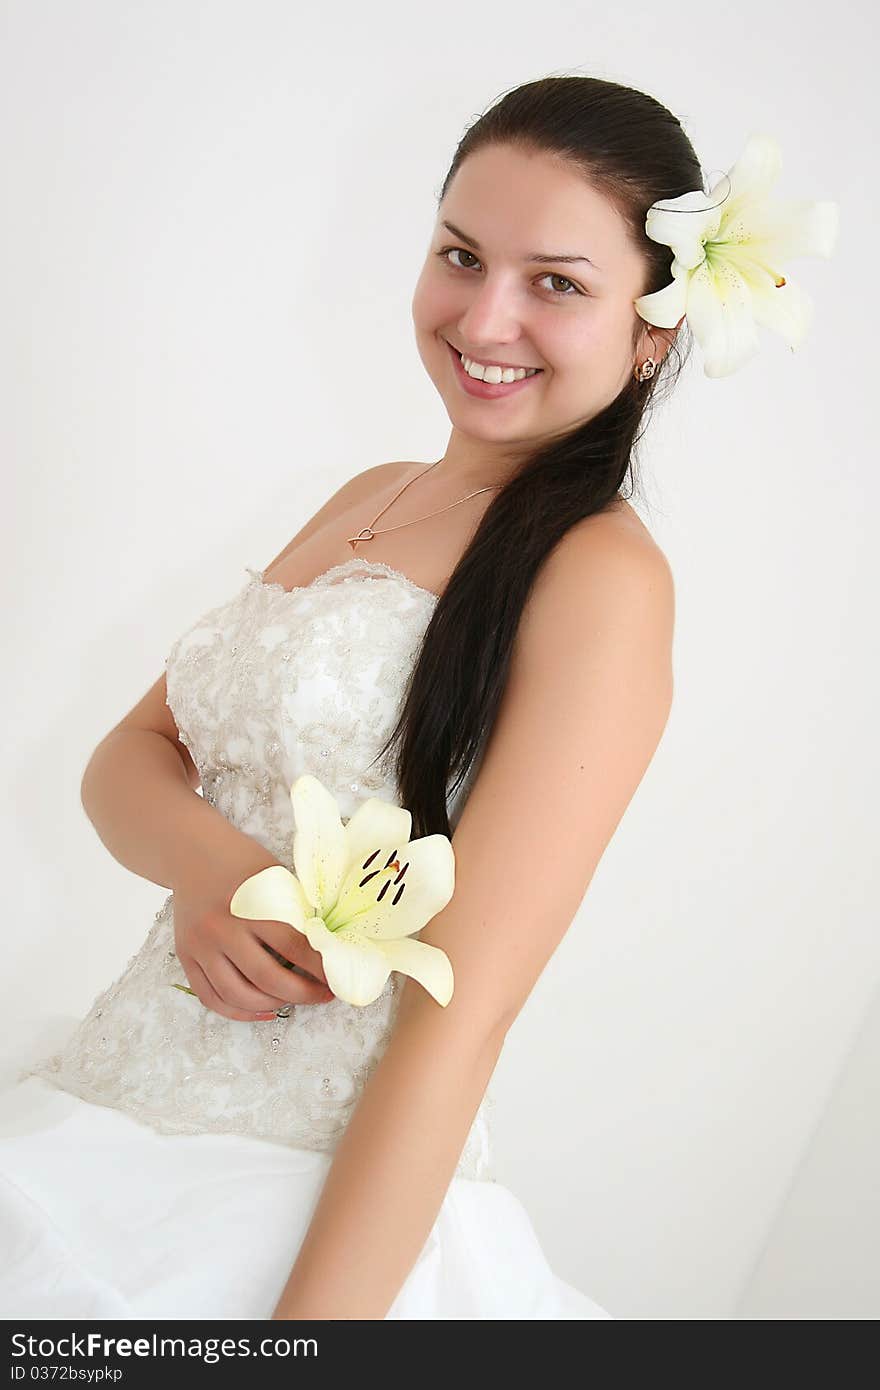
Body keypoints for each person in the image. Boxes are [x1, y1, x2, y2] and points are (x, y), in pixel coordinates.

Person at [0, 73, 836, 1320]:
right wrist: (221, 875)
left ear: (654, 326)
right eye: (460, 255)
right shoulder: (372, 492)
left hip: (296, 1196)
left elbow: (462, 1012)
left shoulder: (599, 575)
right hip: (103, 1114)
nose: (484, 316)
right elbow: (128, 755)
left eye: (556, 282)